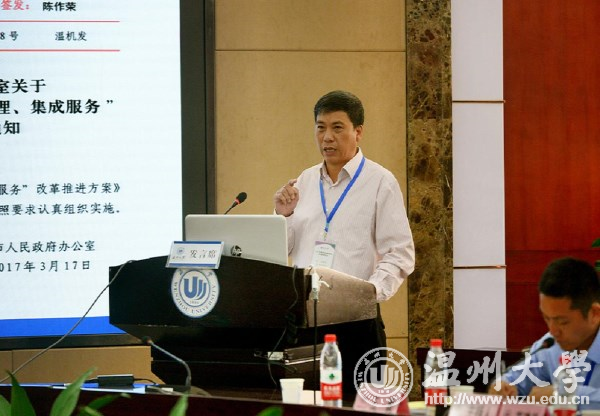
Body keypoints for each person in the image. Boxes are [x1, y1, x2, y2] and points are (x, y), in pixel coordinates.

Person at [273, 91, 415, 394]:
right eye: (320, 127)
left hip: (356, 324)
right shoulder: (304, 181)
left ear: (358, 132)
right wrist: (283, 216)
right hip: (304, 323)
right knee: (303, 405)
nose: (327, 137)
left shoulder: (380, 181)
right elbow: (282, 250)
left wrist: (368, 294)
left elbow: (399, 253)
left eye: (337, 128)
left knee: (357, 407)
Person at [489, 257, 600, 406]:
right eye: (547, 318)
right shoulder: (550, 346)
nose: (553, 331)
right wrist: (503, 387)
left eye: (562, 322)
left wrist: (563, 395)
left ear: (594, 314)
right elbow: (514, 379)